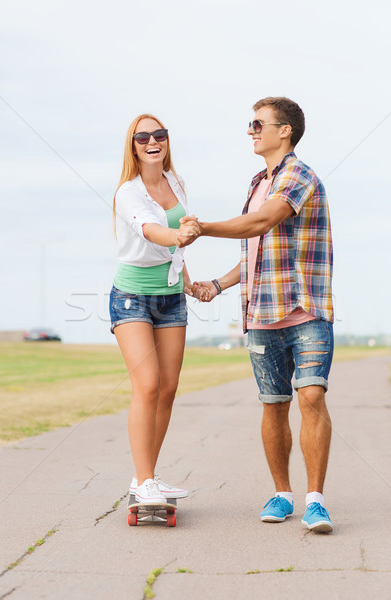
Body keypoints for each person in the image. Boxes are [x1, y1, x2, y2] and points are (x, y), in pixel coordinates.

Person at [181, 97, 334, 533]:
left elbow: (260, 224)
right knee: (273, 405)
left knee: (311, 397)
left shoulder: (298, 175)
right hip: (261, 314)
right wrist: (218, 284)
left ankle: (316, 501)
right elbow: (254, 250)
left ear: (284, 130)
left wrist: (203, 227)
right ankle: (282, 494)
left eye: (258, 123)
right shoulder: (256, 181)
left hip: (304, 311)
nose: (251, 131)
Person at [110, 114, 199, 504]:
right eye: (142, 136)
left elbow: (172, 246)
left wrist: (188, 277)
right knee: (146, 385)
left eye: (158, 135)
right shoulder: (127, 193)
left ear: (166, 141)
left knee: (168, 388)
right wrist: (179, 234)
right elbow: (151, 230)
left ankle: (145, 478)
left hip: (172, 295)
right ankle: (145, 480)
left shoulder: (176, 181)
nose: (152, 141)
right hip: (132, 296)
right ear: (133, 146)